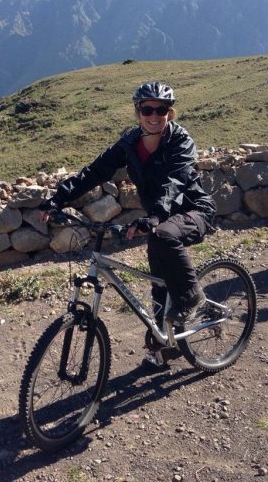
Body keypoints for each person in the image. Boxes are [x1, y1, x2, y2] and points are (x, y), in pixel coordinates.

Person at [40, 81, 216, 368]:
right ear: (138, 112)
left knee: (162, 237)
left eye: (162, 109)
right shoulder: (129, 144)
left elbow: (174, 183)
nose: (155, 115)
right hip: (158, 219)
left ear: (170, 113)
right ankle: (164, 345)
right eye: (148, 109)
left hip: (193, 211)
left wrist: (155, 216)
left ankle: (191, 297)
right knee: (159, 282)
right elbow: (93, 173)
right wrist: (57, 199)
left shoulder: (181, 140)